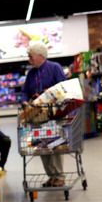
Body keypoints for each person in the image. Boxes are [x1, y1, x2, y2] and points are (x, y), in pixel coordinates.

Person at [21, 42, 68, 187]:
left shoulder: (54, 68)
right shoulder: (31, 73)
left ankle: (59, 175)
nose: (29, 60)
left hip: (54, 114)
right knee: (42, 146)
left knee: (56, 144)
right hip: (37, 116)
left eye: (31, 57)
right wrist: (24, 102)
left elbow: (63, 89)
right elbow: (24, 91)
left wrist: (47, 96)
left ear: (40, 56)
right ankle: (51, 176)